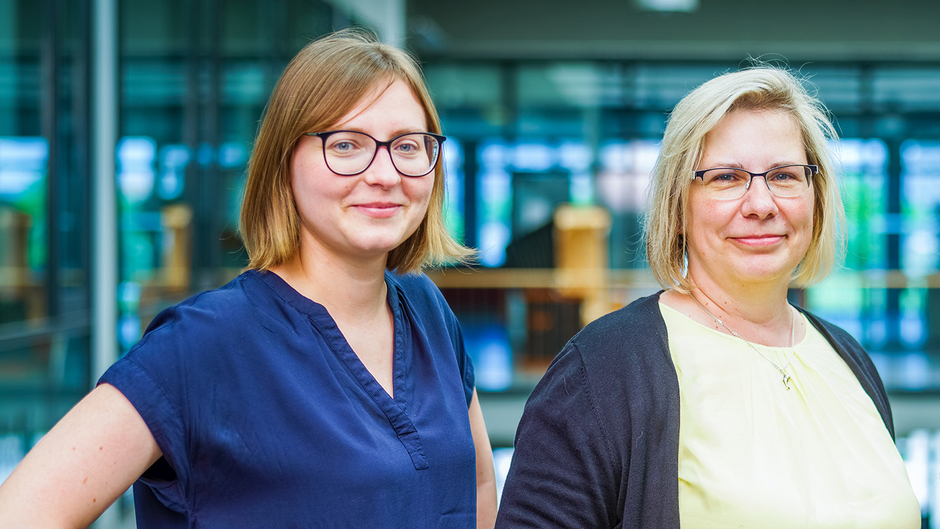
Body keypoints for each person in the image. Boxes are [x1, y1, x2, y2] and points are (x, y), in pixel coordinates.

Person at [0, 29, 497, 528]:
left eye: (407, 146)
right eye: (346, 145)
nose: (385, 174)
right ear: (284, 163)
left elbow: (475, 483)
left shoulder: (426, 310)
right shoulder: (205, 342)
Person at [495, 66, 920, 528]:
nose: (761, 204)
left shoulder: (848, 359)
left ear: (815, 198)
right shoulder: (602, 370)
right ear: (677, 207)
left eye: (783, 175)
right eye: (726, 178)